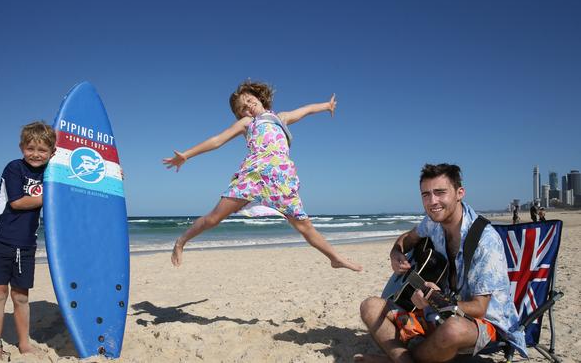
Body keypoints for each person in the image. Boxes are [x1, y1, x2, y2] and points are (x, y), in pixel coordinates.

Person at [163, 80, 362, 272]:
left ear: (259, 97)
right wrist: (187, 155)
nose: (248, 107)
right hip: (254, 177)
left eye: (249, 100)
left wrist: (327, 105)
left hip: (282, 181)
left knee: (305, 226)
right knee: (214, 218)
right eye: (242, 108)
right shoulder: (248, 123)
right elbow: (217, 140)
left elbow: (306, 110)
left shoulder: (281, 117)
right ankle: (181, 241)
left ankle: (335, 258)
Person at [357, 163, 526, 362]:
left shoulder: (485, 240)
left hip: (481, 324)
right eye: (426, 194)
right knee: (370, 306)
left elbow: (479, 308)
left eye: (440, 192)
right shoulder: (432, 223)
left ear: (459, 193)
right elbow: (407, 239)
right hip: (437, 314)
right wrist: (396, 253)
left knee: (453, 330)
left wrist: (434, 299)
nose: (432, 201)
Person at [0, 121, 56, 361]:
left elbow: (80, 173)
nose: (35, 154)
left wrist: (111, 174)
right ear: (22, 147)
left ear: (52, 152)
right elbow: (18, 202)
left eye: (42, 150)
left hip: (26, 244)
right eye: (30, 148)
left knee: (21, 297)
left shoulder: (51, 172)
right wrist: (53, 194)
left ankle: (24, 344)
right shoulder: (14, 168)